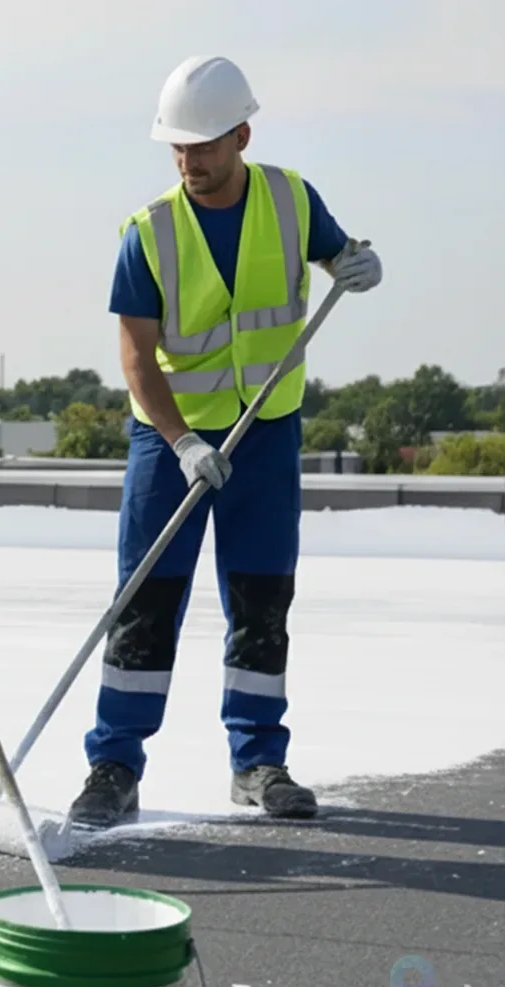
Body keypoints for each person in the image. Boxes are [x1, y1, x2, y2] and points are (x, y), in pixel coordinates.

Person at [68, 57, 382, 829]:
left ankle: (257, 762)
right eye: (178, 148)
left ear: (243, 133)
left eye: (204, 144)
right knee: (145, 603)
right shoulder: (148, 234)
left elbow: (333, 250)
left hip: (267, 434)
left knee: (261, 599)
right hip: (171, 444)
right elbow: (137, 359)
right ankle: (114, 765)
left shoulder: (290, 198)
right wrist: (179, 443)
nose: (191, 161)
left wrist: (352, 262)